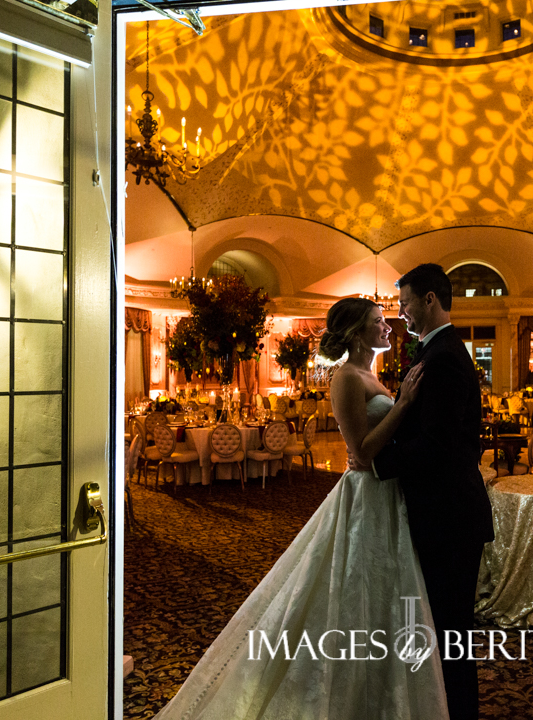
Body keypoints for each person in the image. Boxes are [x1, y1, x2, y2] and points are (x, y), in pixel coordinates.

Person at [153, 297, 450, 720]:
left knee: (386, 593)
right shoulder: (347, 377)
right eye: (379, 321)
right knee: (355, 590)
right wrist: (402, 405)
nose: (388, 327)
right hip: (366, 496)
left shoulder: (370, 374)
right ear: (355, 333)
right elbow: (362, 453)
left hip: (388, 495)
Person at [369, 263, 495, 720]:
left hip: (449, 516)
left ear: (429, 300)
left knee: (451, 629)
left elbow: (438, 445)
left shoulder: (442, 357)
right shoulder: (434, 350)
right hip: (445, 511)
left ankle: (460, 712)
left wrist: (376, 463)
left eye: (404, 303)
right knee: (443, 625)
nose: (400, 311)